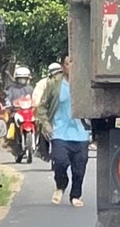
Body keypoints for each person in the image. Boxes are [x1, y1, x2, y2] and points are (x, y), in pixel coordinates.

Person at [36, 56, 91, 206]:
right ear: (63, 66)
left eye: (74, 63)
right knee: (60, 161)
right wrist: (46, 124)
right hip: (59, 132)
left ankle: (75, 196)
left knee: (79, 168)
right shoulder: (54, 84)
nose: (71, 67)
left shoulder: (85, 84)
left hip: (81, 133)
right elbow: (41, 107)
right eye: (68, 64)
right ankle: (61, 185)